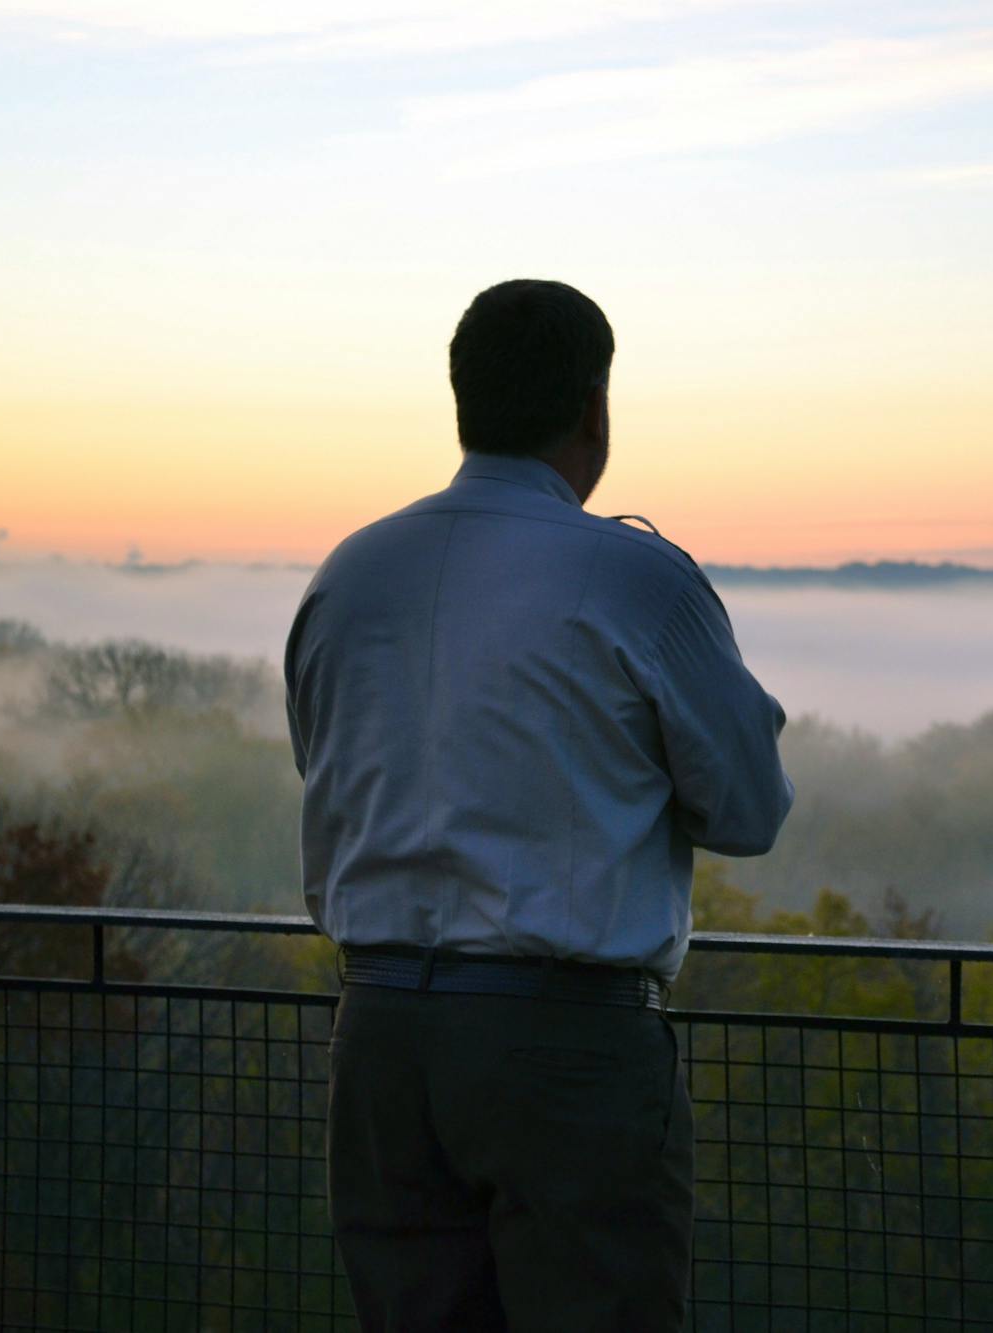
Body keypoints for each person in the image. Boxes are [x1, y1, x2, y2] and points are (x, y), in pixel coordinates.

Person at [286, 279, 794, 1332]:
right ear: (595, 409)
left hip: (378, 1036)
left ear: (462, 400)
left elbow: (323, 763)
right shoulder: (637, 580)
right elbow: (747, 810)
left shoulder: (352, 574)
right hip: (564, 1046)